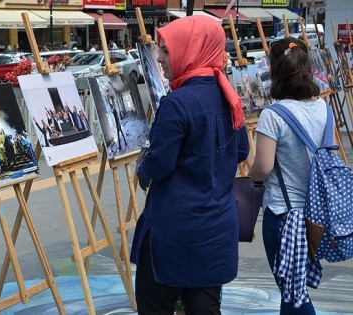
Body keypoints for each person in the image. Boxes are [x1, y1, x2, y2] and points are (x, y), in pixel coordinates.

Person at [130, 16, 249, 314]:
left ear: (192, 49)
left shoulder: (178, 102)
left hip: (175, 233)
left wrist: (141, 166)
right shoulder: (229, 96)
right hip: (215, 229)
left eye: (167, 50)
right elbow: (242, 150)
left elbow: (158, 165)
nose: (159, 57)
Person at [249, 37, 326, 314]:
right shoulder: (321, 107)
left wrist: (248, 175)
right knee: (293, 291)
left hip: (283, 214)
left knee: (294, 295)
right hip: (314, 213)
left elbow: (263, 168)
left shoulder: (274, 115)